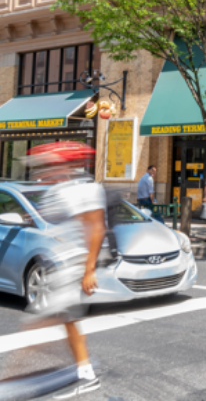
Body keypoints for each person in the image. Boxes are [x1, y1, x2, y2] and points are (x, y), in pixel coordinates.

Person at [22, 142, 107, 397]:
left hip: (73, 266)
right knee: (67, 321)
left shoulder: (85, 190)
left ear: (68, 166)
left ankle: (13, 379)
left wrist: (89, 269)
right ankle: (84, 371)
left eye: (51, 165)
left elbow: (96, 228)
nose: (45, 171)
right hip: (57, 265)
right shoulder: (55, 191)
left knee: (40, 322)